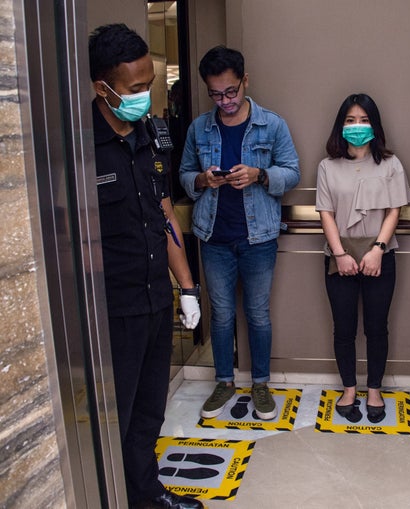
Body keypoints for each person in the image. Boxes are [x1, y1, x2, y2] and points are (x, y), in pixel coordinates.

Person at [89, 24, 203, 509]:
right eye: (135, 89)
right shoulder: (76, 149)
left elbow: (163, 214)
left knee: (150, 411)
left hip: (157, 298)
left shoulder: (153, 136)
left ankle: (146, 496)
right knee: (117, 412)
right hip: (113, 309)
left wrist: (188, 287)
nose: (144, 96)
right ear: (103, 87)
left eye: (148, 85)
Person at [179, 46, 300, 421]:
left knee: (258, 314)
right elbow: (184, 175)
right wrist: (201, 179)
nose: (225, 101)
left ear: (245, 81)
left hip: (258, 236)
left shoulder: (272, 124)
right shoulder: (199, 127)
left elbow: (292, 172)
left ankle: (260, 383)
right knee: (221, 315)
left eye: (231, 91)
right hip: (212, 236)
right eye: (216, 94)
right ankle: (224, 381)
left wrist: (260, 175)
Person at [315, 94, 410, 423]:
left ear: (375, 124)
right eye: (350, 120)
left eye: (364, 120)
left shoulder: (390, 163)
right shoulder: (327, 166)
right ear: (340, 125)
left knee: (376, 327)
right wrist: (340, 254)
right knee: (343, 328)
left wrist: (378, 249)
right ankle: (348, 388)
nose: (357, 126)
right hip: (338, 256)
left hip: (379, 255)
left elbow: (394, 210)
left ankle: (373, 389)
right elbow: (326, 214)